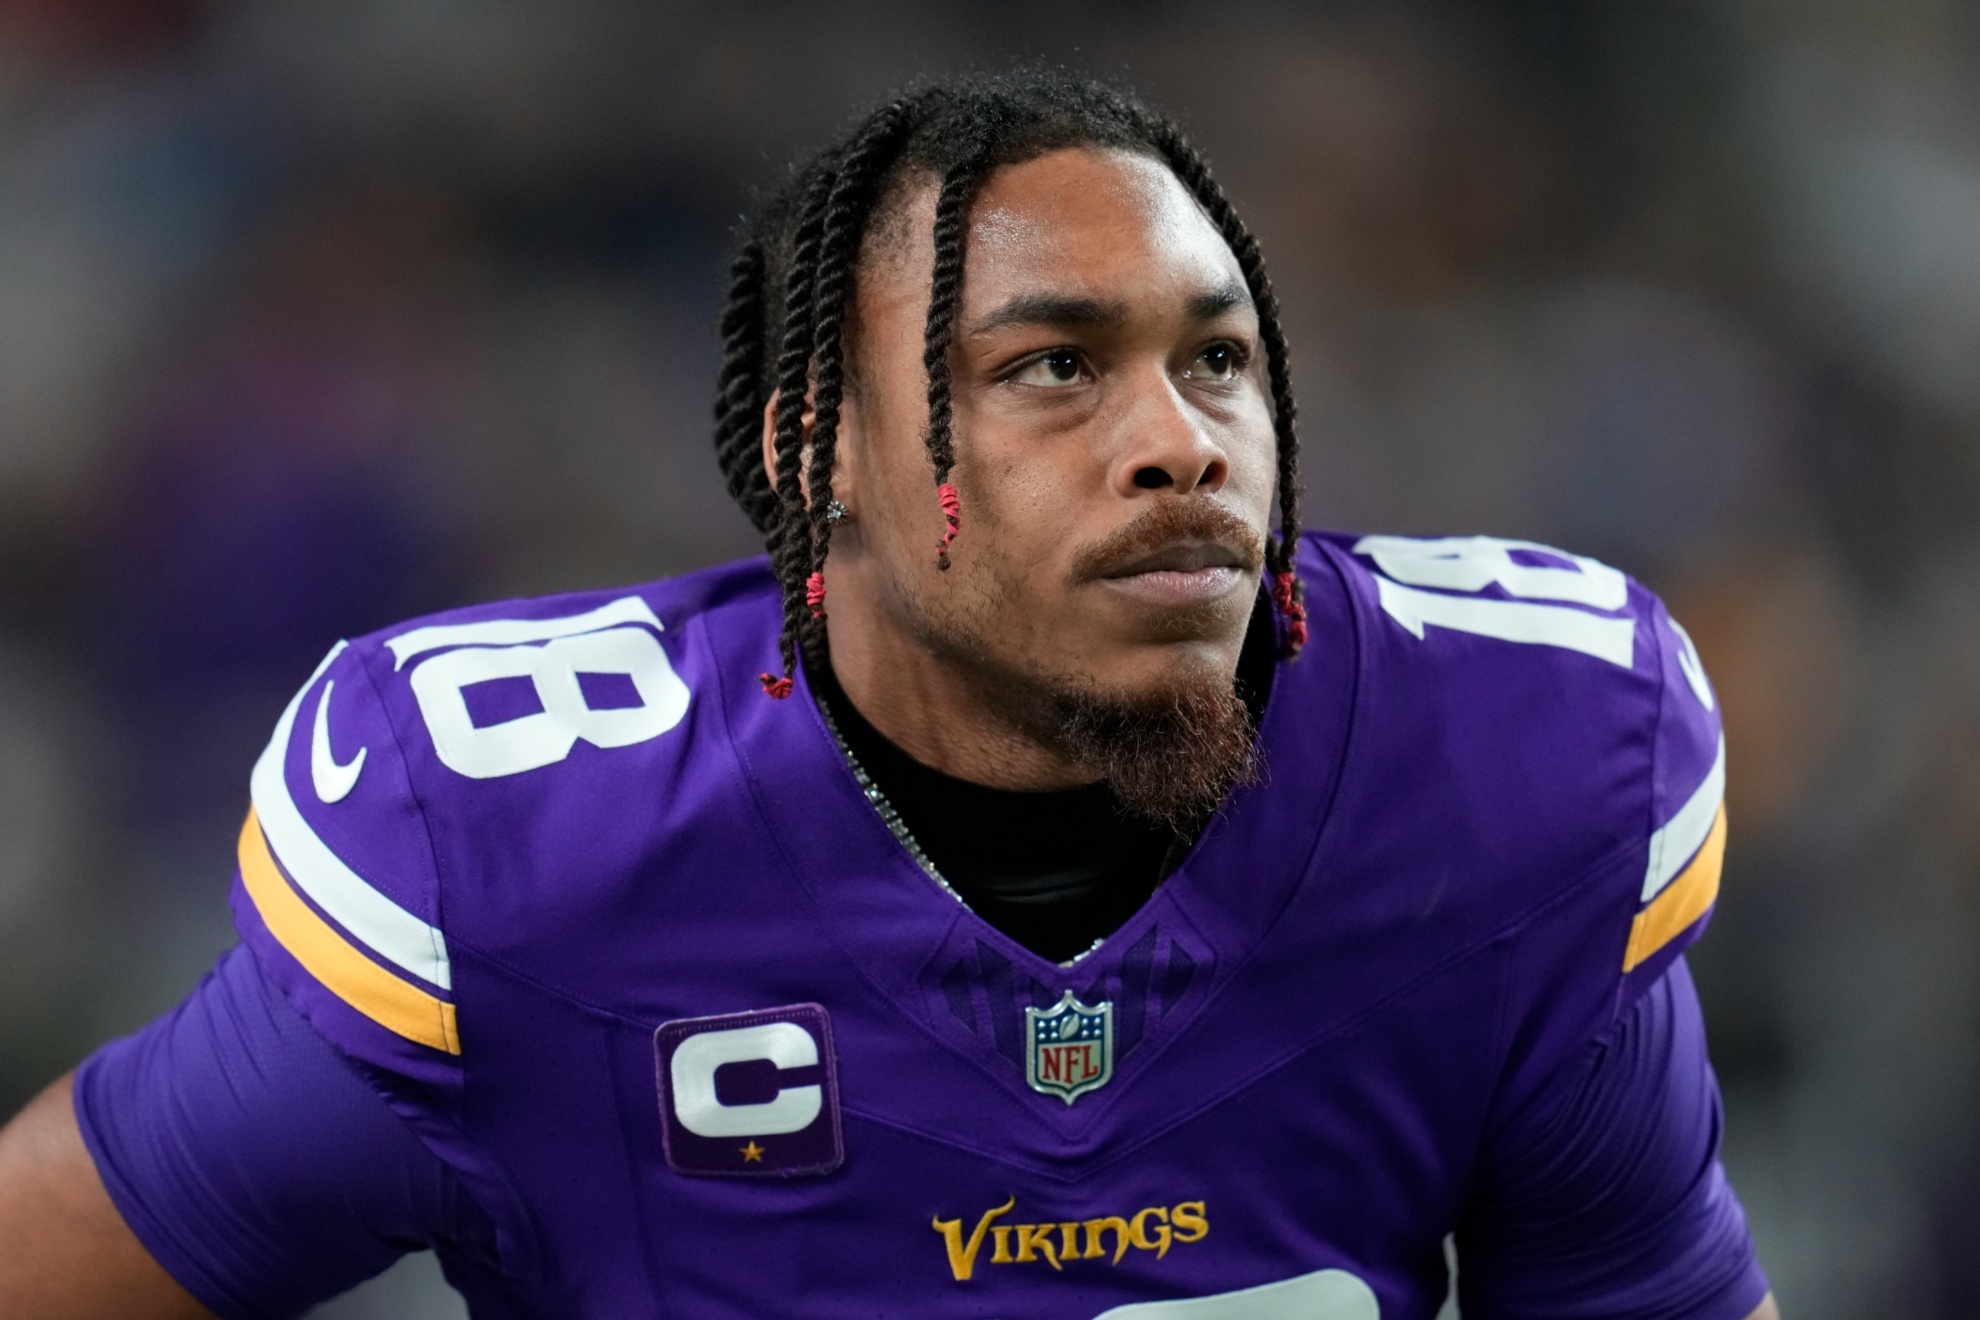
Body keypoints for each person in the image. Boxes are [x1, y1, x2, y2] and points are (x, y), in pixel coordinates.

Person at [0, 71, 1776, 1319]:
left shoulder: (1507, 774)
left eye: (1218, 359)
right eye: (1054, 368)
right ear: (816, 449)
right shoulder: (518, 854)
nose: (1179, 443)